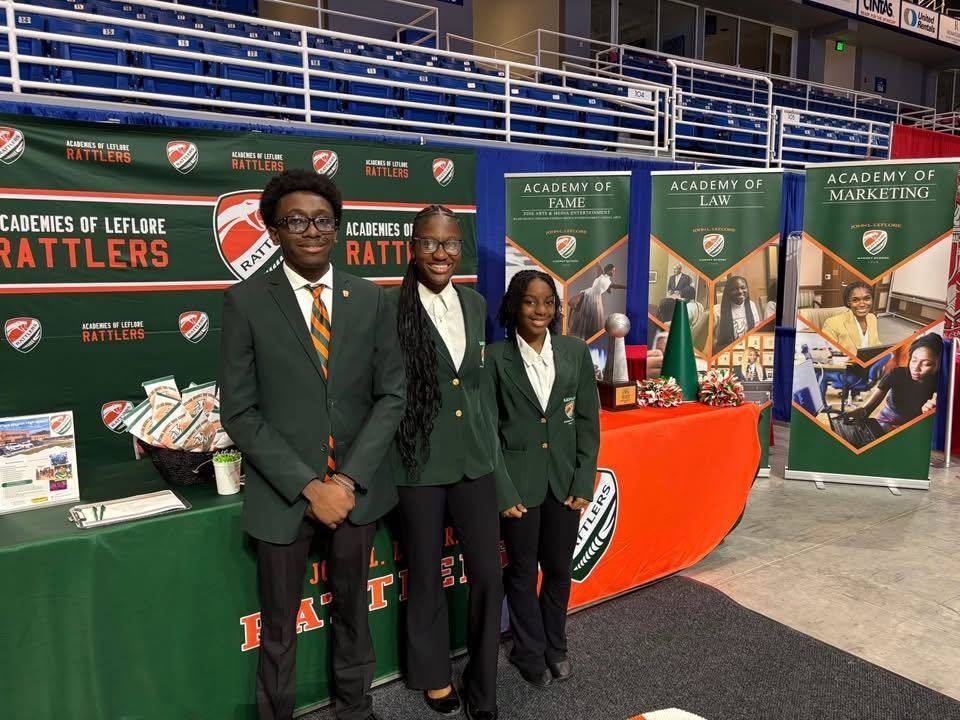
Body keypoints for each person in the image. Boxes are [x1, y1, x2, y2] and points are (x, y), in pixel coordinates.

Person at [219, 169, 405, 720]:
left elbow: (391, 395)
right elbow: (239, 410)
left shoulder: (368, 298)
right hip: (284, 497)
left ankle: (356, 709)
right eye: (295, 220)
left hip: (355, 494)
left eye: (323, 220)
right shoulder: (247, 301)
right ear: (274, 231)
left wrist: (344, 482)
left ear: (338, 227)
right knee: (278, 628)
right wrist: (308, 485)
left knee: (354, 612)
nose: (311, 230)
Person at [391, 205, 503, 720]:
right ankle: (434, 675)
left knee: (488, 574)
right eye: (431, 243)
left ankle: (484, 681)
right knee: (427, 577)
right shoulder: (389, 308)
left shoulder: (477, 305)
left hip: (475, 462)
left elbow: (475, 390)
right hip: (417, 465)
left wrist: (493, 458)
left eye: (451, 244)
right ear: (412, 246)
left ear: (462, 248)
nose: (442, 253)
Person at [485, 270, 600, 689]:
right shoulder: (495, 358)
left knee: (557, 568)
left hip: (565, 484)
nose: (540, 310)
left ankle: (557, 646)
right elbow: (488, 431)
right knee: (520, 570)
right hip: (519, 488)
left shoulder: (575, 351)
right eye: (531, 301)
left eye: (548, 302)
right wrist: (502, 489)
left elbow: (588, 421)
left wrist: (583, 479)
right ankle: (528, 651)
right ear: (515, 306)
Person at [844, 333, 941, 432]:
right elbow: (868, 408)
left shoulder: (942, 384)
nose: (916, 368)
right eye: (914, 360)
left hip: (915, 427)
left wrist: (932, 413)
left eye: (927, 364)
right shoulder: (896, 374)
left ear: (939, 365)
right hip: (887, 419)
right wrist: (862, 411)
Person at [568, 263, 626, 340]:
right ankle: (577, 330)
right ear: (608, 270)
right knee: (572, 304)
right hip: (587, 293)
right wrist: (596, 261)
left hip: (595, 299)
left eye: (614, 271)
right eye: (613, 270)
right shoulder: (601, 275)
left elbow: (616, 286)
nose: (614, 272)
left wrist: (626, 287)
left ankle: (590, 338)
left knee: (591, 319)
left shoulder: (609, 283)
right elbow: (597, 265)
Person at [822, 281, 880, 355]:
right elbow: (826, 354)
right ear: (848, 302)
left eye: (867, 298)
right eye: (855, 300)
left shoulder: (872, 318)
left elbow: (876, 344)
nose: (862, 304)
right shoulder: (832, 323)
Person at [713, 275, 761, 352]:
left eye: (743, 288)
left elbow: (756, 329)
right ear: (727, 292)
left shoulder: (752, 305)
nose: (740, 291)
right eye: (734, 289)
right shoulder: (716, 310)